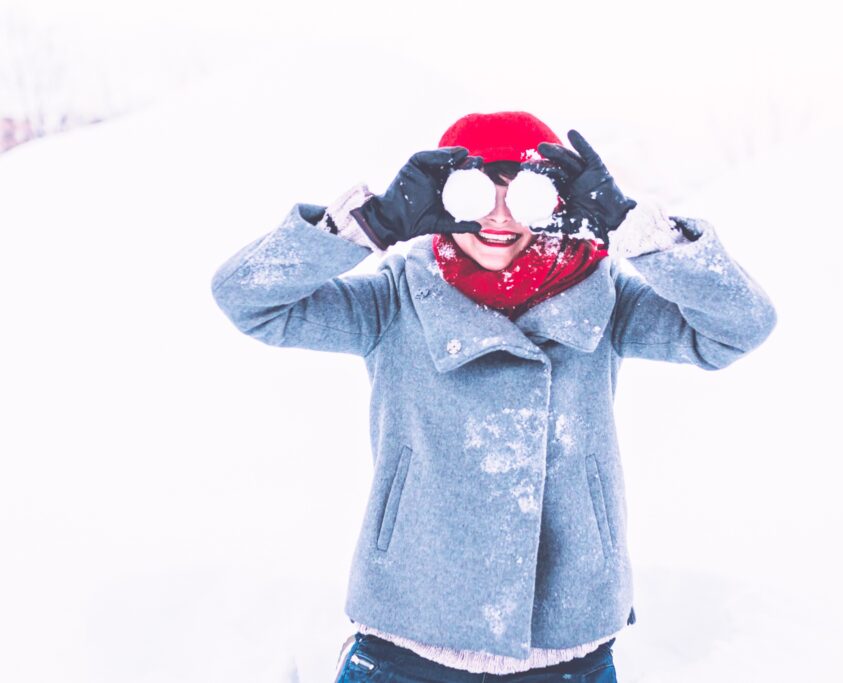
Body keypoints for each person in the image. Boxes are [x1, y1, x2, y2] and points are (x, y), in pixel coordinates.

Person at [210, 111, 777, 681]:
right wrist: (368, 225)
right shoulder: (395, 299)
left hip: (567, 642)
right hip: (407, 635)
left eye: (524, 196)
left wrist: (638, 231)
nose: (499, 218)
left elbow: (739, 327)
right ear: (440, 198)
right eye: (476, 194)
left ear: (557, 202)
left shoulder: (602, 296)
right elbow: (248, 300)